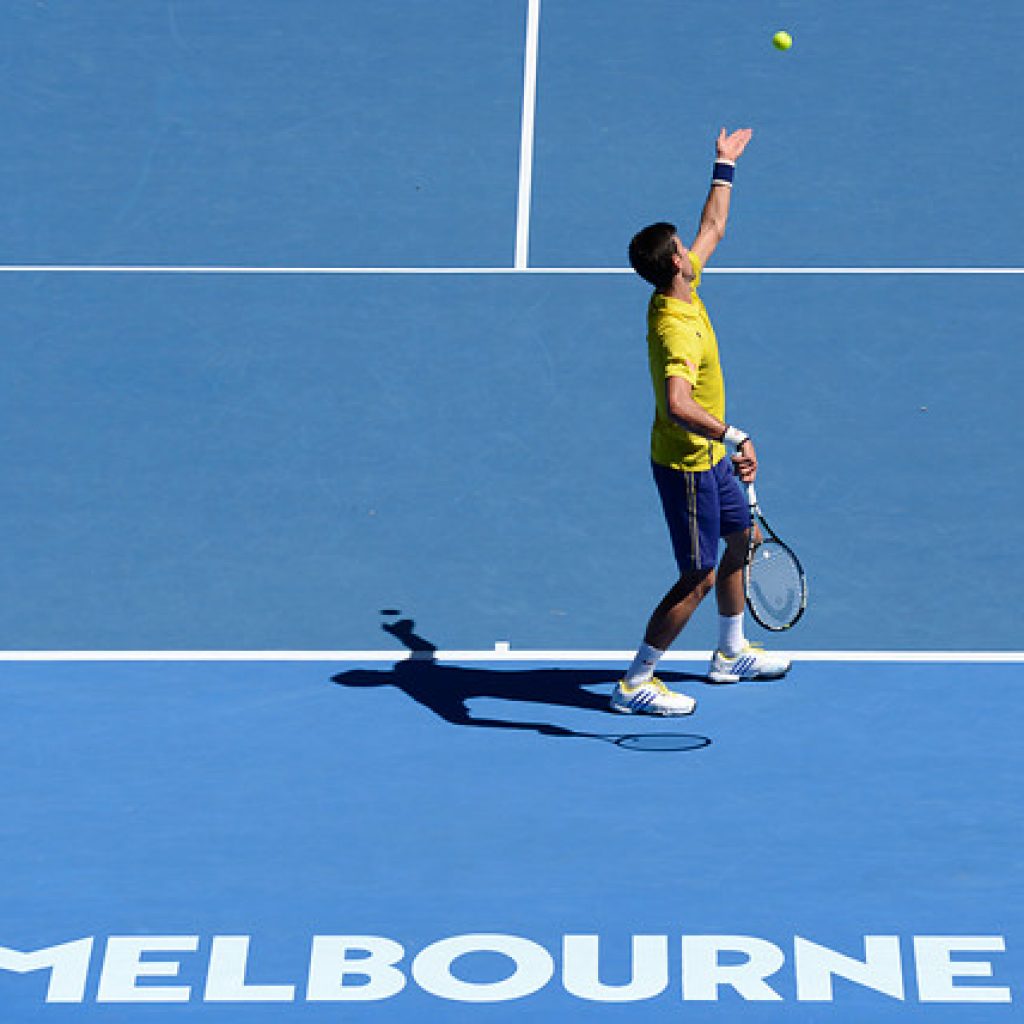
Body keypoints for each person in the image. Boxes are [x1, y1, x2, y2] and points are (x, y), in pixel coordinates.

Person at [611, 127, 790, 716]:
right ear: (676, 262)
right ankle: (635, 682)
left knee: (744, 540)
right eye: (682, 246)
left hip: (711, 458)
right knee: (697, 576)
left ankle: (730, 653)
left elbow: (713, 226)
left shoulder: (684, 284)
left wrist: (724, 164)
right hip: (687, 466)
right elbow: (677, 405)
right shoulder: (676, 330)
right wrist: (735, 434)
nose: (692, 246)